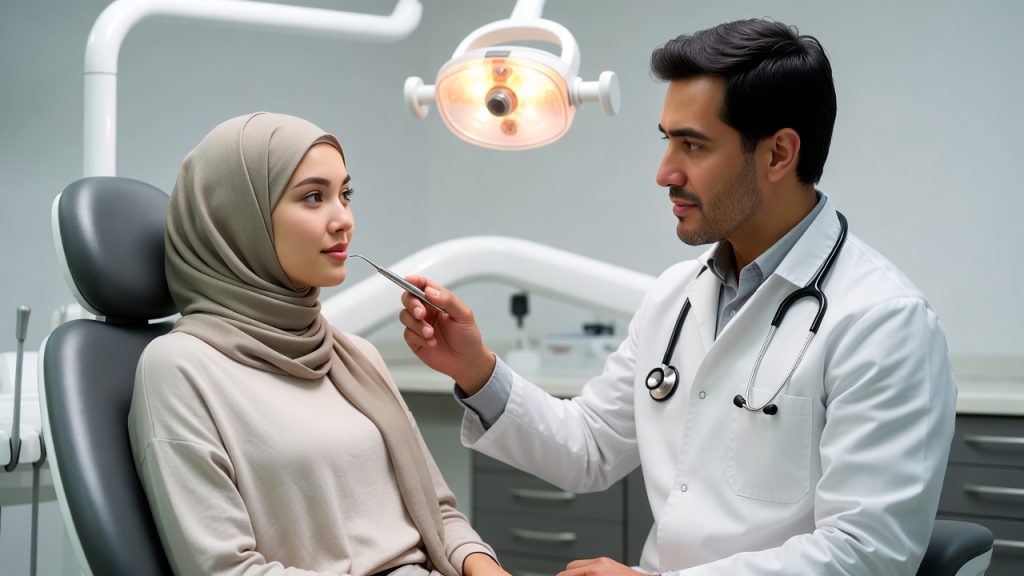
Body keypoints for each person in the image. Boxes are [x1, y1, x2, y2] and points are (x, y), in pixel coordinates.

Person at [397, 19, 957, 576]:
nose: (665, 172)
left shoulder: (883, 323)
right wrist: (474, 369)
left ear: (779, 154)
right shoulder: (676, 298)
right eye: (668, 140)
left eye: (693, 145)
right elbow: (590, 447)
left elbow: (866, 555)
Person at [128, 112, 506, 576]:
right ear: (238, 219)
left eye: (345, 195)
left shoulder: (353, 356)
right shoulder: (179, 368)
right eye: (313, 197)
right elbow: (227, 570)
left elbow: (439, 512)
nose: (343, 219)